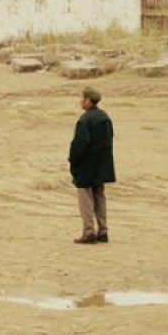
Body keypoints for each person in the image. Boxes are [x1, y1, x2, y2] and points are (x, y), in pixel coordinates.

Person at [68, 85, 114, 243]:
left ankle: (88, 232)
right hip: (102, 165)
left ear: (88, 101)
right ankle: (103, 231)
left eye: (82, 98)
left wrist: (73, 161)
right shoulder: (105, 117)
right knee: (99, 196)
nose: (80, 101)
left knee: (86, 199)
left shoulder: (85, 119)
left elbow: (79, 145)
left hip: (87, 166)